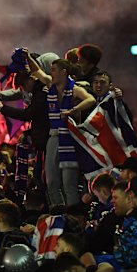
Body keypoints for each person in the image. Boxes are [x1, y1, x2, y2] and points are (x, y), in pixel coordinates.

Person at [30, 57, 96, 206]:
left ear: (63, 72)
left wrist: (73, 110)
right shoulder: (51, 85)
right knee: (51, 181)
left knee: (69, 182)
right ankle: (58, 211)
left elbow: (90, 99)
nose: (51, 73)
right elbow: (36, 71)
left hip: (70, 137)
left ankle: (73, 215)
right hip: (53, 136)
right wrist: (27, 57)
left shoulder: (74, 89)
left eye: (54, 70)